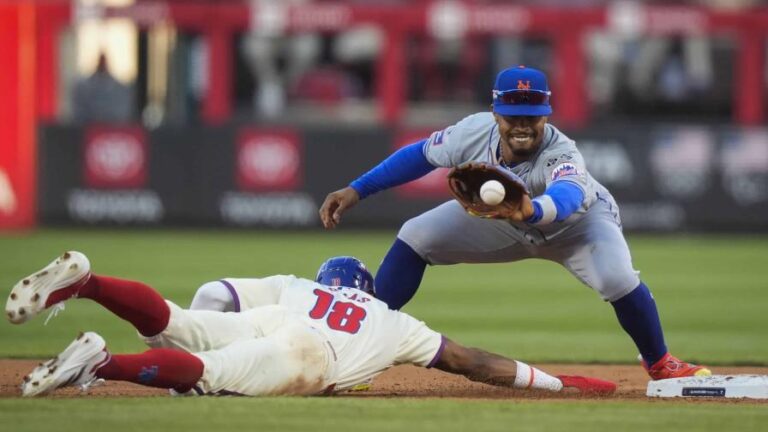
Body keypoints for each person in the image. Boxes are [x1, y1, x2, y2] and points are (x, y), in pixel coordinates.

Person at [318, 65, 711, 381]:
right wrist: (357, 189)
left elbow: (568, 196)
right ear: (495, 113)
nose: (523, 124)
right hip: (506, 220)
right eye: (513, 115)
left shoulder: (562, 150)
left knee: (617, 279)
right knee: (415, 236)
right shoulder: (472, 132)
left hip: (579, 225)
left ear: (547, 115)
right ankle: (358, 342)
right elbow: (418, 156)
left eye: (533, 116)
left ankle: (659, 362)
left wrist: (531, 211)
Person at [5, 251, 615, 397]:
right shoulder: (395, 321)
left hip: (274, 317)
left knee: (177, 321)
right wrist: (556, 383)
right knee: (209, 378)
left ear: (329, 279)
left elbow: (215, 293)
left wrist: (190, 327)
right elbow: (473, 362)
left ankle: (87, 283)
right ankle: (102, 362)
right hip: (310, 354)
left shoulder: (301, 285)